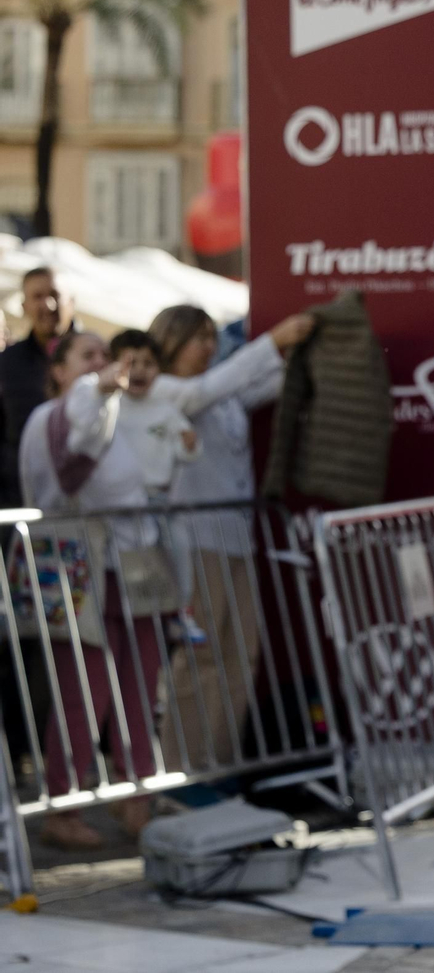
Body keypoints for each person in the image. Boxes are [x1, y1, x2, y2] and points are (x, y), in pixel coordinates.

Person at [145, 307, 315, 773]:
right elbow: (207, 390)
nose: (207, 347)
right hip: (194, 542)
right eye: (195, 339)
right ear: (169, 343)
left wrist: (304, 352)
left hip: (239, 541)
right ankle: (183, 769)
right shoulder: (162, 391)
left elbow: (265, 384)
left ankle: (220, 765)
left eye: (210, 337)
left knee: (242, 656)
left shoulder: (220, 394)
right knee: (200, 658)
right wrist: (273, 340)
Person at [17, 332, 159, 849]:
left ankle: (135, 791)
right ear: (59, 371)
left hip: (128, 566)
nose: (104, 364)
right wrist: (98, 389)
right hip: (77, 568)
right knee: (84, 691)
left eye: (106, 354)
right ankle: (65, 804)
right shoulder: (54, 418)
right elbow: (73, 462)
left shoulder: (108, 411)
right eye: (88, 356)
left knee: (140, 681)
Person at [108, 329, 205, 645]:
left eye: (148, 364)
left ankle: (180, 613)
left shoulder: (165, 409)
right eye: (131, 362)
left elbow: (185, 452)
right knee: (127, 563)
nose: (139, 371)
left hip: (159, 499)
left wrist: (190, 446)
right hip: (120, 503)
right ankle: (129, 613)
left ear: (159, 370)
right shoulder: (109, 406)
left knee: (178, 552)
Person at [1, 267, 73, 508]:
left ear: (71, 301)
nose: (48, 305)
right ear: (24, 306)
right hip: (20, 500)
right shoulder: (7, 363)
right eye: (37, 297)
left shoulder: (96, 358)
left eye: (55, 295)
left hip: (83, 501)